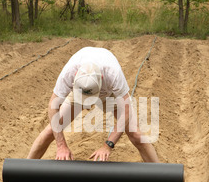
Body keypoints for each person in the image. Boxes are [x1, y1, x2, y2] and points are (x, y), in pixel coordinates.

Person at [27, 46, 160, 163]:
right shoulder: (69, 72)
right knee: (51, 131)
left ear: (102, 78)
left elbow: (125, 112)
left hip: (108, 95)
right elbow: (53, 106)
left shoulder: (112, 73)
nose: (89, 106)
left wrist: (108, 145)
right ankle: (24, 173)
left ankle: (162, 178)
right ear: (75, 75)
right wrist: (61, 145)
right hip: (78, 94)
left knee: (136, 135)